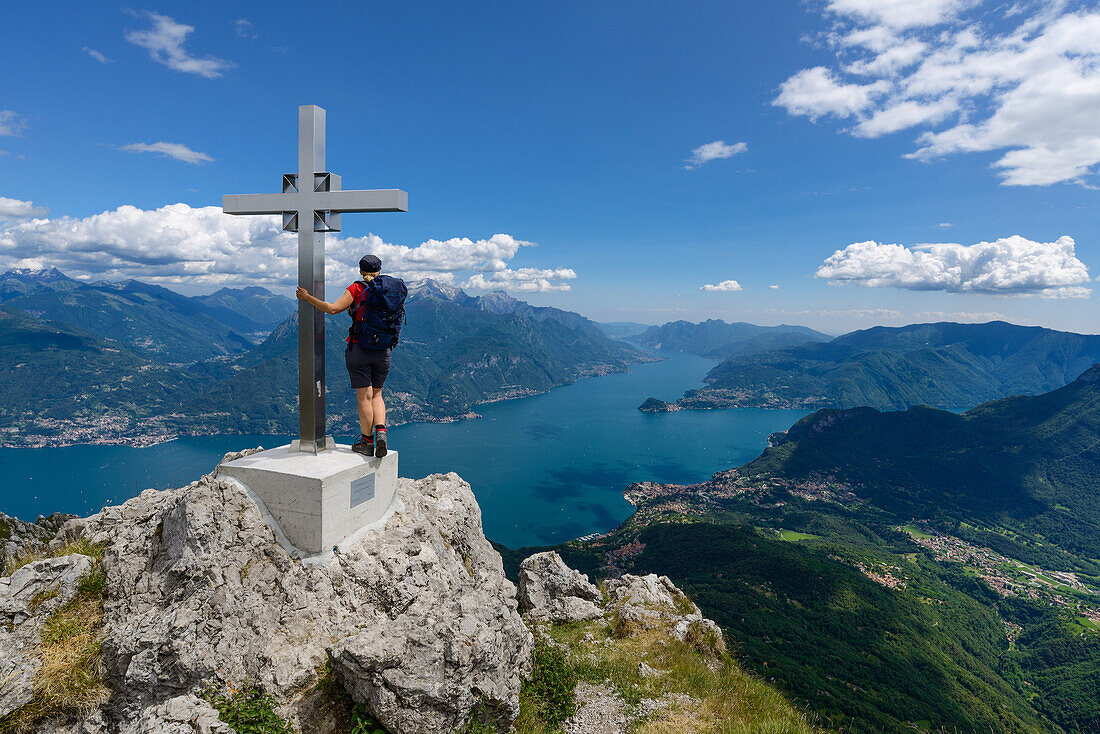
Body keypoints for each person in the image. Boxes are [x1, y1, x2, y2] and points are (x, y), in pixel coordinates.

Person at [295, 254, 402, 457]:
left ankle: (367, 441)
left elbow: (333, 309)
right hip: (384, 351)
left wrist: (307, 297)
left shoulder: (356, 289)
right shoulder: (391, 290)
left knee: (365, 397)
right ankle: (381, 432)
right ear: (379, 270)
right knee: (378, 395)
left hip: (359, 349)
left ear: (361, 271)